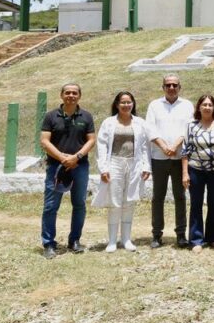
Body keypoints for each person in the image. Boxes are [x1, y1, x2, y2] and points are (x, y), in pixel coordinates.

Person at [39, 83, 96, 259]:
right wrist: (63, 159)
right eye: (68, 92)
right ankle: (49, 244)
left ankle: (74, 241)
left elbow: (91, 140)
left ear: (79, 96)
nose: (71, 95)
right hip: (56, 167)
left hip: (80, 166)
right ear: (61, 95)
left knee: (79, 204)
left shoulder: (86, 116)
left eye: (74, 93)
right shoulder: (51, 116)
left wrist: (76, 157)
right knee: (50, 206)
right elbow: (44, 141)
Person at [94, 91, 151, 253]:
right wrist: (103, 168)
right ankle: (112, 240)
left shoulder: (139, 123)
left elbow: (145, 146)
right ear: (117, 105)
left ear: (133, 104)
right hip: (115, 163)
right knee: (115, 201)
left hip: (134, 164)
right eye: (123, 102)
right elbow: (102, 145)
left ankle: (126, 239)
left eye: (129, 102)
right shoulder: (109, 122)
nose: (126, 105)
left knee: (129, 201)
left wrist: (147, 166)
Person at [145, 74, 194, 249]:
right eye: (168, 85)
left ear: (180, 87)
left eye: (175, 85)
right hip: (159, 157)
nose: (171, 87)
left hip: (179, 158)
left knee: (180, 196)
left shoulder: (187, 105)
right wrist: (164, 146)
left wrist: (175, 146)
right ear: (163, 87)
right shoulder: (154, 105)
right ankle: (157, 234)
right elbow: (150, 128)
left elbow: (189, 128)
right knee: (157, 197)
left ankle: (181, 234)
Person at [181, 95, 214, 253]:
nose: (207, 107)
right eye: (204, 104)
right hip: (196, 169)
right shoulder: (191, 126)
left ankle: (213, 238)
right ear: (199, 107)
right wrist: (185, 173)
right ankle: (196, 240)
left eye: (210, 105)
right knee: (196, 204)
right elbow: (185, 150)